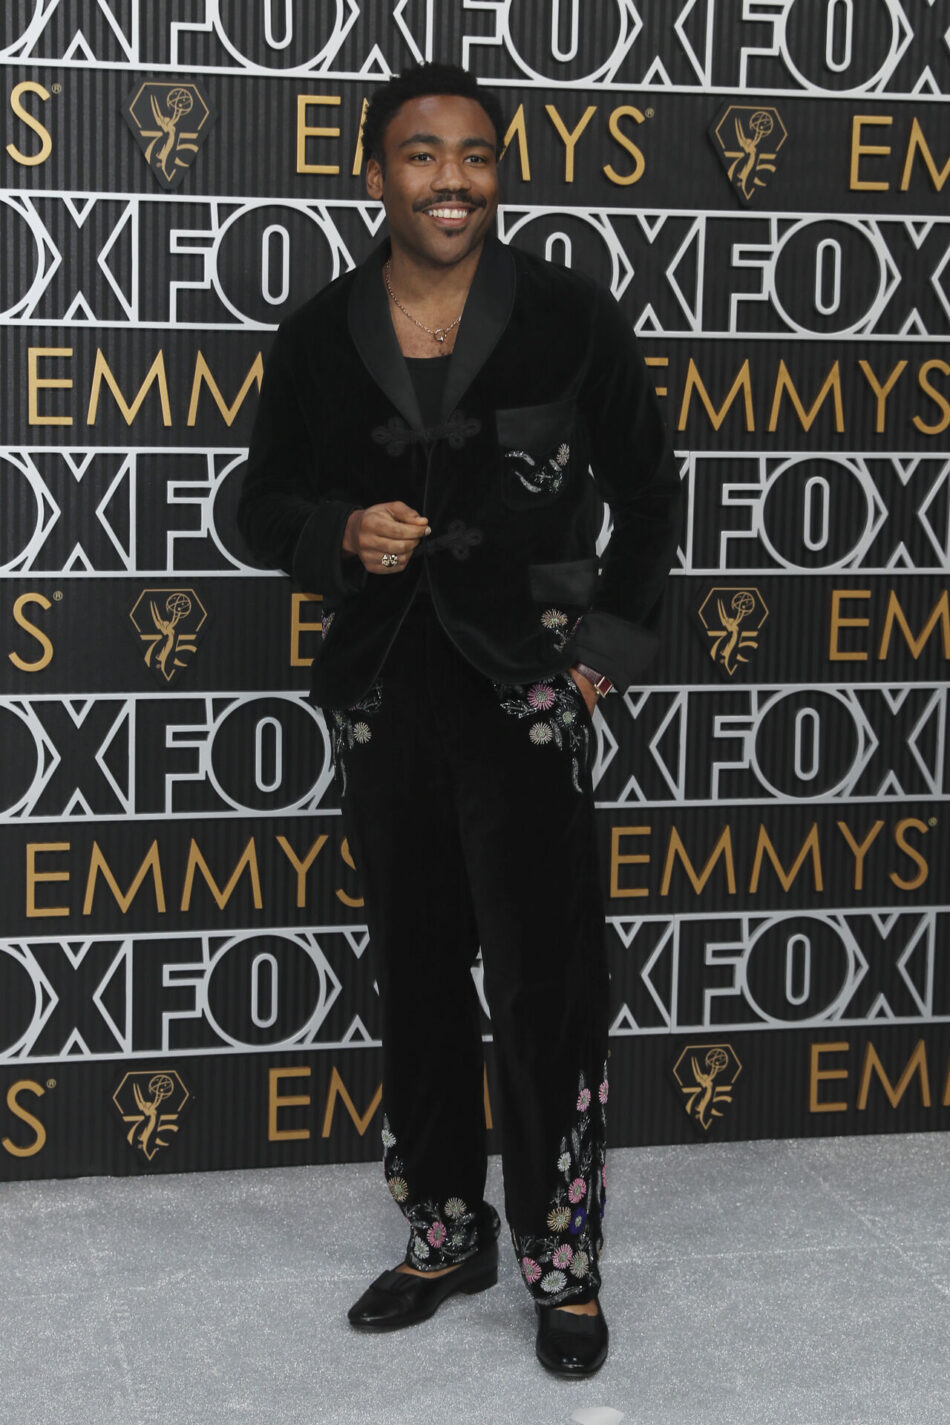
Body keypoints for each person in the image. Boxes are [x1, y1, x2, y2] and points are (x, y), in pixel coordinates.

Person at [237, 61, 680, 1377]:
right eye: (423, 154)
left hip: (524, 700)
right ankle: (444, 1232)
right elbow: (256, 505)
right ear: (374, 174)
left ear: (499, 171)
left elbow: (650, 493)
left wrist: (600, 651)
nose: (451, 178)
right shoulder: (319, 333)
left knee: (544, 992)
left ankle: (562, 1259)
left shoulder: (565, 314)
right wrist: (336, 530)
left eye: (476, 154)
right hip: (384, 695)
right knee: (418, 981)